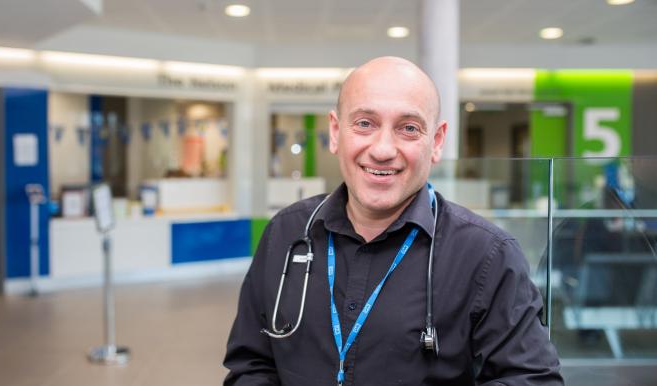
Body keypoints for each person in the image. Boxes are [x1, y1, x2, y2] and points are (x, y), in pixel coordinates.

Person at [224, 57, 563, 385]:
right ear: (336, 132)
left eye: (408, 128)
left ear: (437, 142)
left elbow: (531, 379)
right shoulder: (285, 234)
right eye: (364, 123)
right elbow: (251, 364)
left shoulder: (487, 256)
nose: (383, 149)